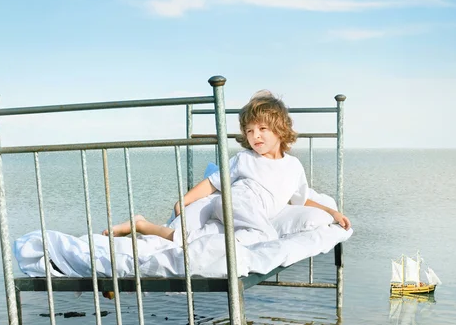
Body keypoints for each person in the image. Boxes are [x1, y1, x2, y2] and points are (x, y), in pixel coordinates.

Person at [105, 90, 351, 242]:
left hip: (240, 217)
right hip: (233, 203)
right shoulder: (245, 159)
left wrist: (332, 212)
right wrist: (184, 200)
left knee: (189, 242)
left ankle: (141, 225)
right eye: (250, 130)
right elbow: (213, 183)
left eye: (263, 129)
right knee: (266, 237)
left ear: (280, 130)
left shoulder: (294, 167)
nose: (256, 136)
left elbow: (300, 199)